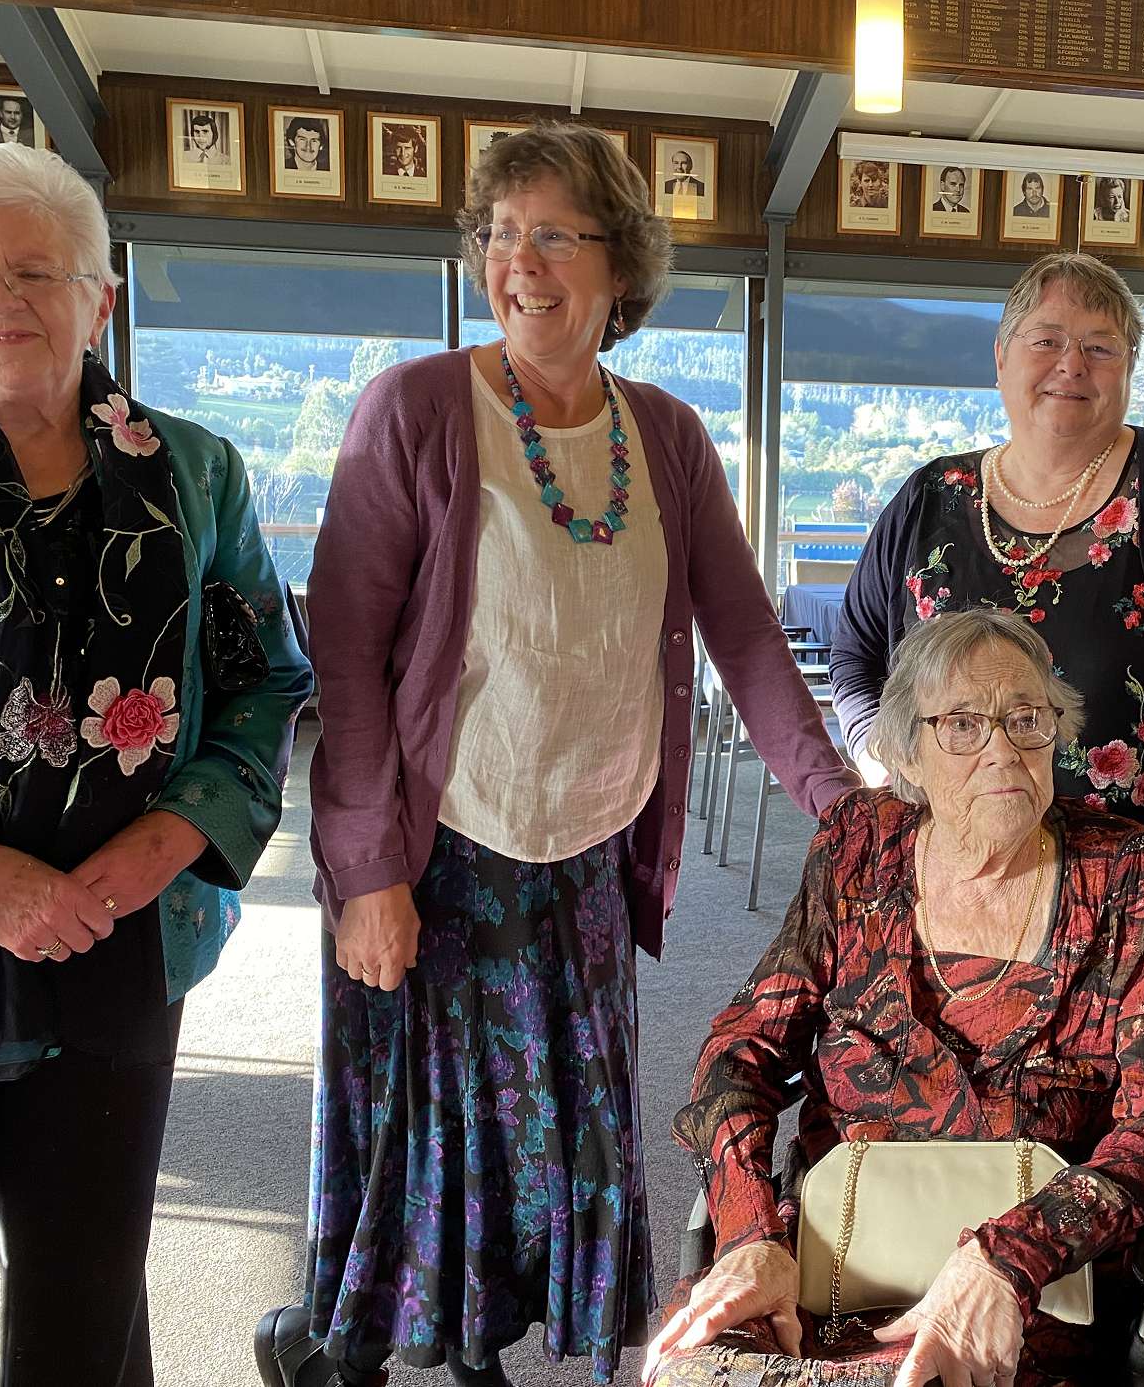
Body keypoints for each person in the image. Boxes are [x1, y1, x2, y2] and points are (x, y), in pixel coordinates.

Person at [257, 120, 853, 1387]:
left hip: (586, 851)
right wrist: (365, 870)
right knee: (431, 1138)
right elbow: (346, 664)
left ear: (619, 266)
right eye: (498, 234)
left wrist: (836, 800)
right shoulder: (415, 409)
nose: (517, 262)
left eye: (552, 236)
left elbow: (746, 635)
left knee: (557, 1143)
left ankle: (437, 1342)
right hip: (435, 850)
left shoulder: (667, 436)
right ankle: (346, 1346)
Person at [0, 143, 312, 1386]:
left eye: (34, 270)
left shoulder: (196, 472)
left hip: (124, 938)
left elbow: (266, 677)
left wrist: (169, 840)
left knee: (84, 1298)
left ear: (99, 297)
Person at [830, 249, 1144, 1261]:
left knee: (1129, 1137)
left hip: (1131, 900)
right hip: (956, 886)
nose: (1069, 365)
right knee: (937, 1123)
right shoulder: (929, 497)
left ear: (1129, 367)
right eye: (1045, 340)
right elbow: (856, 660)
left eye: (1100, 346)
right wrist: (890, 772)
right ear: (1001, 359)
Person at [645, 608, 1144, 1387]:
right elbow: (741, 1051)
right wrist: (747, 1233)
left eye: (1025, 719)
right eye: (963, 725)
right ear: (909, 749)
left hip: (1027, 1282)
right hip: (826, 1263)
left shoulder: (1125, 875)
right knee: (698, 1369)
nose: (1002, 749)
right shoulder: (859, 845)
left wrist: (1008, 1259)